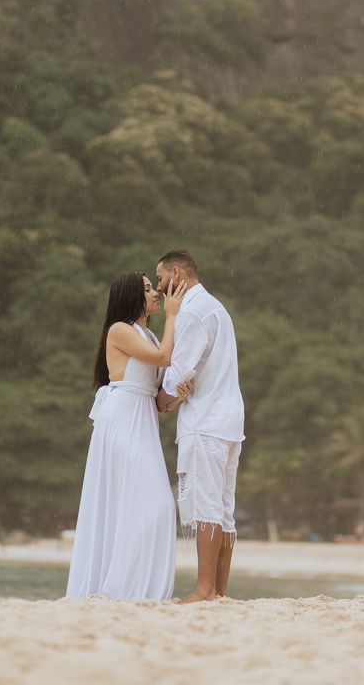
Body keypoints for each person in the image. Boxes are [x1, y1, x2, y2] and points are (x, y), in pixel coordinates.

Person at [66, 272, 192, 601]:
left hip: (144, 419)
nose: (156, 294)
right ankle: (124, 588)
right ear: (133, 297)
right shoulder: (120, 331)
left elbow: (161, 403)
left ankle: (133, 587)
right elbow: (165, 357)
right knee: (156, 503)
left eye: (154, 287)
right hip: (122, 420)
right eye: (148, 289)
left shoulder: (149, 334)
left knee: (149, 505)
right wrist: (173, 314)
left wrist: (179, 395)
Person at [155, 249, 245, 603]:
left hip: (205, 420)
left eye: (161, 280)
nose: (160, 289)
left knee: (207, 506)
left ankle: (204, 589)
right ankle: (219, 591)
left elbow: (178, 373)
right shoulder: (216, 307)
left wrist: (164, 401)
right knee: (224, 509)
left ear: (176, 273)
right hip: (228, 420)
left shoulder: (191, 312)